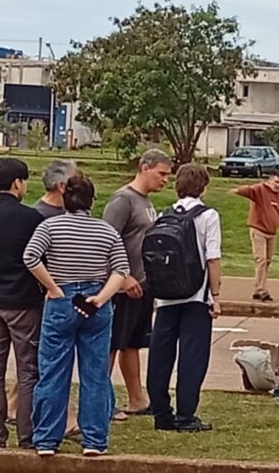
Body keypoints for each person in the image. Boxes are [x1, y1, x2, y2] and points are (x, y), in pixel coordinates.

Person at [24, 174, 130, 457]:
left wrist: (52, 287)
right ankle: (94, 440)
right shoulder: (107, 231)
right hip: (96, 300)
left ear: (64, 199)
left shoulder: (50, 226)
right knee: (95, 374)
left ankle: (46, 439)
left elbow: (30, 257)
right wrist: (102, 297)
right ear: (91, 201)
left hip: (61, 299)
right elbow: (121, 269)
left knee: (53, 372)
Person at [0, 158, 45, 449]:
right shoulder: (30, 218)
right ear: (17, 182)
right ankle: (27, 434)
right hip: (22, 300)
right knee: (27, 368)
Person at [6, 159, 79, 436]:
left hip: (59, 294)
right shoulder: (39, 216)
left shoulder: (65, 213)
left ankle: (12, 405)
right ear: (61, 186)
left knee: (41, 358)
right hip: (44, 296)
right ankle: (63, 416)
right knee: (50, 358)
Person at [147, 163, 222, 433]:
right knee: (192, 357)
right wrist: (216, 295)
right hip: (195, 295)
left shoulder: (164, 214)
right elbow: (212, 258)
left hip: (166, 295)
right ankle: (185, 415)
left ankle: (161, 412)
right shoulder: (208, 216)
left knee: (160, 355)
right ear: (203, 187)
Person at [102, 149, 172, 418]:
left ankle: (137, 399)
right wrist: (123, 277)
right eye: (161, 173)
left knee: (131, 343)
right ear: (145, 168)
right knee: (111, 344)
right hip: (122, 287)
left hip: (143, 287)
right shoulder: (123, 200)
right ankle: (102, 402)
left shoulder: (146, 201)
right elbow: (106, 241)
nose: (165, 180)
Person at [231, 172, 279, 302]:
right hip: (258, 229)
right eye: (276, 182)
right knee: (261, 259)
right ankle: (262, 290)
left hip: (272, 232)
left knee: (267, 261)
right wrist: (237, 190)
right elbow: (246, 191)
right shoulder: (260, 190)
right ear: (269, 181)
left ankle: (258, 289)